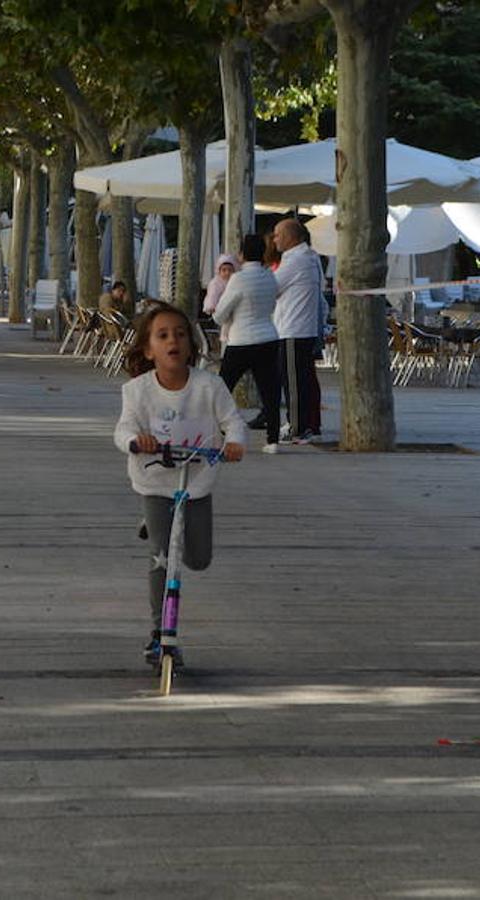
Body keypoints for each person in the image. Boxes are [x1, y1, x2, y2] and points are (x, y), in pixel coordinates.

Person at [114, 301, 247, 666]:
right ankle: (160, 634)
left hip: (196, 481)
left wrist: (235, 443)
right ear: (148, 348)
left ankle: (159, 528)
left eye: (180, 333)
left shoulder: (210, 386)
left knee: (198, 558)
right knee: (162, 556)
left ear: (191, 344)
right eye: (162, 335)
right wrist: (134, 441)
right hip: (156, 482)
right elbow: (123, 429)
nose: (173, 340)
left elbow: (233, 422)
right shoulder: (137, 391)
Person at [214, 234, 281, 453]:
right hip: (268, 338)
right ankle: (272, 440)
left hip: (241, 340)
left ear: (242, 254)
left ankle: (215, 430)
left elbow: (220, 314)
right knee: (269, 390)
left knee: (223, 387)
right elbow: (273, 301)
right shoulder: (270, 277)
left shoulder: (238, 279)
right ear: (262, 253)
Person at [271, 217, 324, 443]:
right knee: (305, 379)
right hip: (303, 328)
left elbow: (271, 287)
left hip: (293, 328)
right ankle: (310, 424)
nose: (274, 240)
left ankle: (296, 426)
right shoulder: (309, 258)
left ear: (291, 237)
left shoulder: (296, 260)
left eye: (277, 234)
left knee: (293, 381)